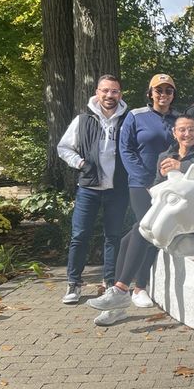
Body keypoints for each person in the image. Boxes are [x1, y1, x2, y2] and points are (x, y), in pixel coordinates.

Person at [87, 115, 194, 325]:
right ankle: (118, 295)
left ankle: (121, 291)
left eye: (191, 130)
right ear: (174, 133)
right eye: (182, 130)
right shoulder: (165, 155)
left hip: (190, 218)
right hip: (167, 213)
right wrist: (161, 177)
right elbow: (156, 188)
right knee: (129, 238)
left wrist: (181, 166)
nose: (186, 134)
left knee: (139, 230)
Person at [57, 74, 129, 304]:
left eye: (114, 91)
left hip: (117, 189)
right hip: (89, 188)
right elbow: (64, 147)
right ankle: (74, 283)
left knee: (113, 237)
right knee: (79, 236)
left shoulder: (128, 119)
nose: (110, 95)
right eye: (105, 91)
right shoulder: (83, 119)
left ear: (120, 94)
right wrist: (80, 163)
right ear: (97, 92)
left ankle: (110, 283)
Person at [117, 74, 179, 308]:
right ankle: (138, 287)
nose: (163, 95)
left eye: (168, 91)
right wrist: (146, 181)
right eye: (159, 90)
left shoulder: (178, 117)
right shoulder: (135, 115)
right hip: (141, 184)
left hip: (168, 184)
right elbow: (126, 150)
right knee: (148, 229)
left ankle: (116, 281)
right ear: (150, 92)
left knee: (136, 232)